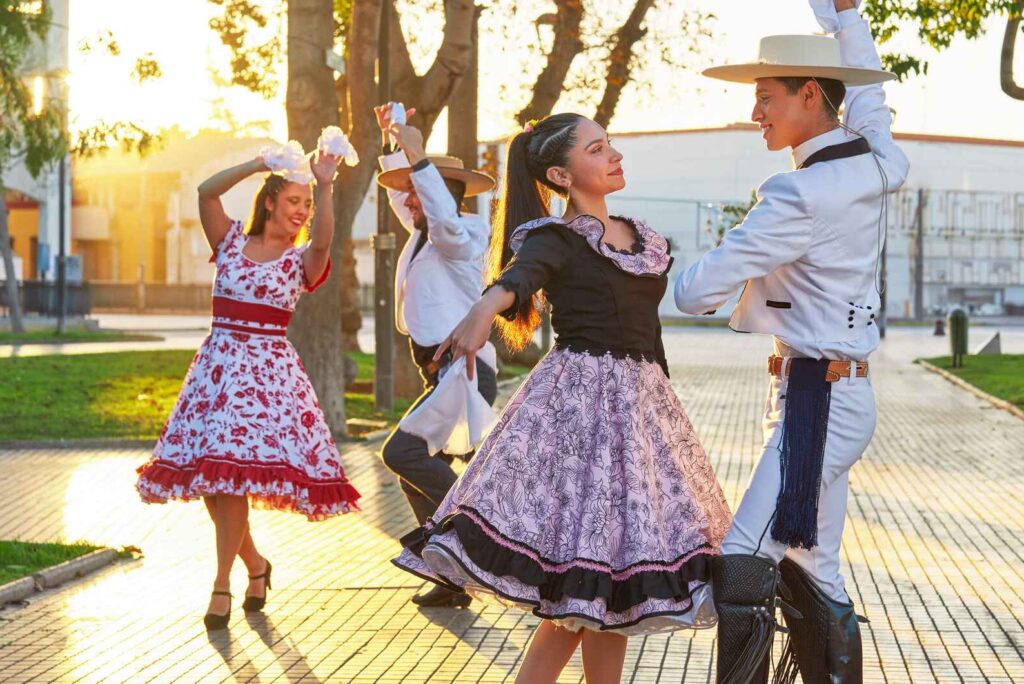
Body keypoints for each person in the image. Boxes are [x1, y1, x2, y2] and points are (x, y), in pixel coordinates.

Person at [393, 113, 732, 684]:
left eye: (610, 145)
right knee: (582, 599)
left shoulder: (643, 238)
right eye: (598, 149)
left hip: (643, 418)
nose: (614, 155)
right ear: (561, 173)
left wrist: (665, 420)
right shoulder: (555, 237)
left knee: (610, 604)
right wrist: (483, 309)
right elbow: (520, 278)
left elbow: (650, 338)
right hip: (582, 416)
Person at [674, 1, 910, 680]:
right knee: (815, 567)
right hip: (829, 395)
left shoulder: (796, 194)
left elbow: (694, 293)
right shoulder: (876, 161)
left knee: (743, 561)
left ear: (811, 94)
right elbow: (869, 96)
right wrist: (846, 14)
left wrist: (676, 265)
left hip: (819, 406)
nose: (756, 115)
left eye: (765, 97)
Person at [135, 142, 361, 631]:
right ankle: (256, 566)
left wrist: (324, 184)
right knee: (213, 487)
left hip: (266, 381)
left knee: (228, 479)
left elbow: (324, 243)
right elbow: (205, 192)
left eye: (306, 204)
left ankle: (222, 585)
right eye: (294, 201)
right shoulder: (231, 242)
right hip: (216, 375)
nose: (302, 212)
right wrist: (259, 163)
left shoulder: (301, 261)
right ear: (270, 202)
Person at [374, 102, 499, 608]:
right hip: (443, 376)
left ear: (439, 196)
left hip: (464, 372)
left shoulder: (461, 235)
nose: (408, 201)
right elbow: (409, 201)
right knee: (413, 465)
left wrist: (417, 153)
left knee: (400, 454)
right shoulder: (424, 238)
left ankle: (475, 537)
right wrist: (393, 142)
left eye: (416, 193)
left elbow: (442, 220)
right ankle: (449, 574)